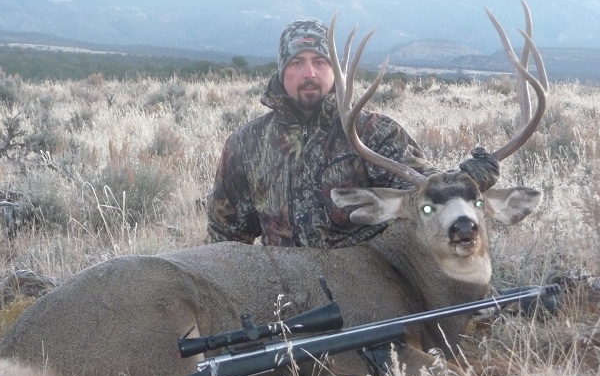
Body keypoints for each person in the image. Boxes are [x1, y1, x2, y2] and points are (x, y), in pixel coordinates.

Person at [206, 18, 498, 248]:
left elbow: (423, 192)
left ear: (335, 71)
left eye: (320, 62)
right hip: (282, 284)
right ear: (282, 72)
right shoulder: (246, 145)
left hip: (365, 284)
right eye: (297, 63)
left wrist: (467, 179)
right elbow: (226, 235)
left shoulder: (376, 134)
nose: (310, 74)